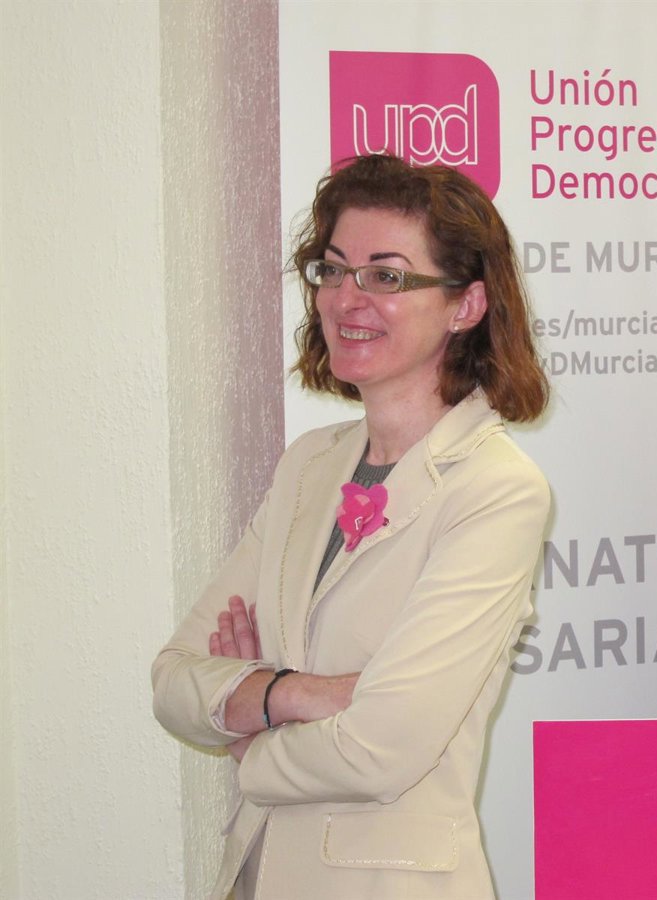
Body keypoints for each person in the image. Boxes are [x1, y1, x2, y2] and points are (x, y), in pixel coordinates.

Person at [152, 154, 551, 899]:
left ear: (466, 305)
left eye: (386, 276)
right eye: (333, 269)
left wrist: (248, 737)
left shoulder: (496, 489)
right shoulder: (309, 465)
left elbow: (381, 749)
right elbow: (173, 678)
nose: (345, 298)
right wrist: (296, 694)